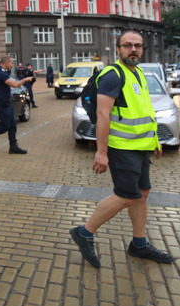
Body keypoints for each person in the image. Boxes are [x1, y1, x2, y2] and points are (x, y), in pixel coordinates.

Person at [68, 30, 174, 268]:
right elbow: (102, 113)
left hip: (141, 147)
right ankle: (84, 232)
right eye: (128, 45)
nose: (133, 49)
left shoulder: (138, 74)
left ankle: (139, 243)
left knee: (142, 194)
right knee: (126, 196)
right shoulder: (113, 75)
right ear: (118, 48)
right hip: (121, 147)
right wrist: (101, 152)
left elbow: (144, 110)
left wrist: (154, 139)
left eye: (137, 45)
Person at [0, 56, 33, 155]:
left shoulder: (4, 72)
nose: (12, 65)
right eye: (11, 63)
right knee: (5, 126)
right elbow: (15, 84)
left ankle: (13, 147)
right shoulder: (0, 73)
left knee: (13, 125)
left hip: (7, 102)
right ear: (6, 63)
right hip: (1, 103)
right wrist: (25, 80)